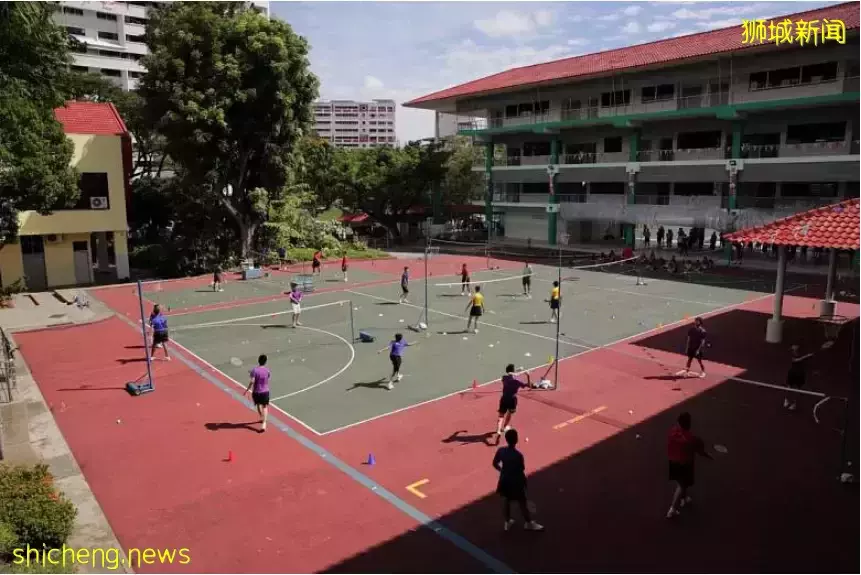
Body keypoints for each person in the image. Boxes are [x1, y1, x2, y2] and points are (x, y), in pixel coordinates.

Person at [492, 428, 544, 532]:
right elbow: (521, 469)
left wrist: (502, 470)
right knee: (522, 502)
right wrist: (524, 482)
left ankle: (507, 522)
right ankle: (528, 523)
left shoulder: (501, 451)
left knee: (506, 501)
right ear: (516, 440)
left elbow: (495, 463)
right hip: (515, 482)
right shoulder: (518, 455)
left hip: (504, 481)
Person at [666, 412, 712, 519]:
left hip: (673, 461)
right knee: (681, 486)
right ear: (689, 424)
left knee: (682, 482)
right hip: (685, 464)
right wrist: (708, 456)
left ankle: (684, 498)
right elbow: (700, 451)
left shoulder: (672, 432)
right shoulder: (692, 439)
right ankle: (672, 509)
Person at [496, 364, 532, 443]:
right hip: (512, 399)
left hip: (504, 398)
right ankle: (504, 427)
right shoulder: (517, 381)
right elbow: (529, 385)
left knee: (501, 415)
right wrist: (528, 375)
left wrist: (518, 371)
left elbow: (511, 374)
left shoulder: (504, 378)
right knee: (509, 413)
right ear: (513, 371)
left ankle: (498, 430)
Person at [244, 354, 271, 432]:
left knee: (258, 405)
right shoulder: (267, 370)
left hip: (256, 392)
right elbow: (267, 377)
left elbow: (252, 381)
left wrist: (247, 390)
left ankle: (262, 417)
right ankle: (264, 423)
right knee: (265, 406)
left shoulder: (254, 370)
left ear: (258, 361)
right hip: (265, 391)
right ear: (265, 362)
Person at [784, 345, 815, 411]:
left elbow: (805, 364)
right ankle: (786, 400)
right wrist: (807, 356)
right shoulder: (790, 354)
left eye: (795, 346)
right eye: (793, 347)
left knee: (797, 389)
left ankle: (794, 404)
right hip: (792, 373)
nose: (794, 347)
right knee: (789, 387)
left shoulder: (801, 353)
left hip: (800, 374)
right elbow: (796, 360)